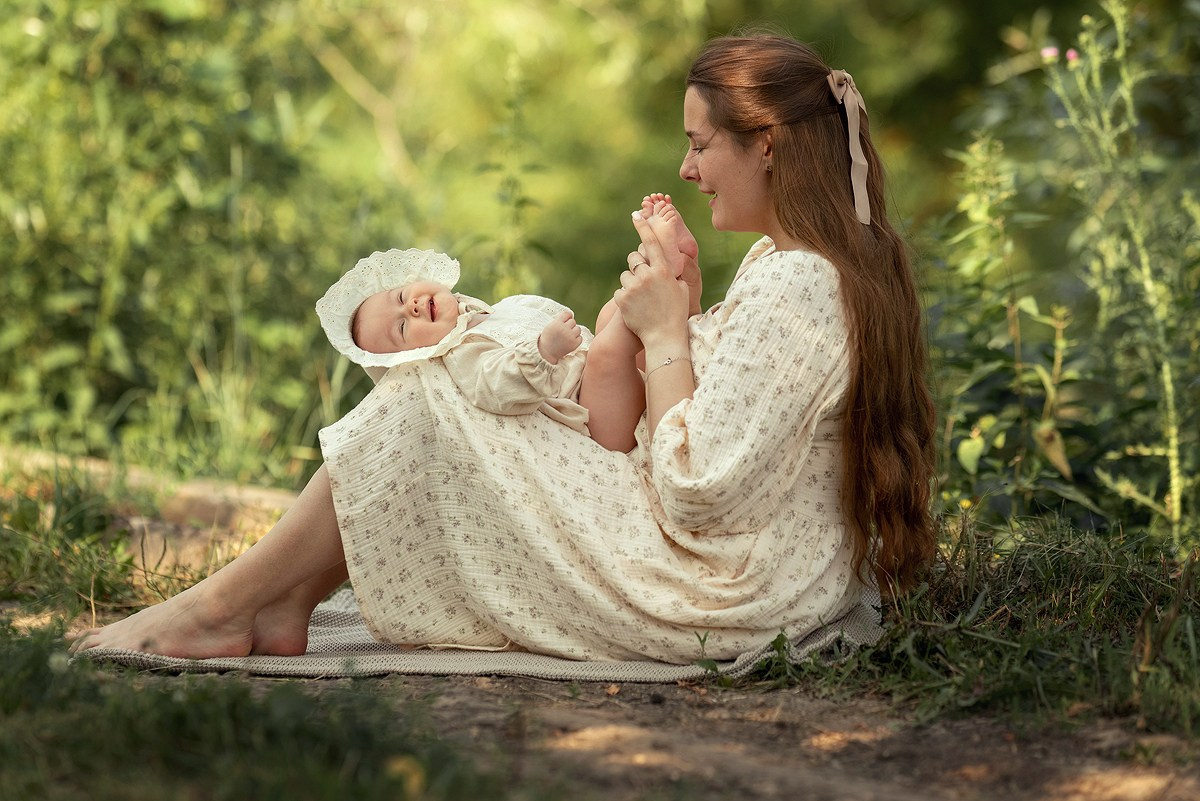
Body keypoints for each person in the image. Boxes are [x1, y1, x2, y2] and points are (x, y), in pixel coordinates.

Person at [70, 33, 937, 664]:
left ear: (769, 145)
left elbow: (701, 493)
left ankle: (231, 605)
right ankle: (274, 597)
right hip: (723, 565)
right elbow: (735, 428)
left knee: (429, 395)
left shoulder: (802, 284)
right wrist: (679, 314)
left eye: (701, 143)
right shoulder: (784, 263)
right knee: (448, 383)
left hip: (717, 593)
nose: (686, 167)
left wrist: (669, 332)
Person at [316, 247, 592, 435]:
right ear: (415, 356)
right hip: (590, 404)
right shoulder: (464, 353)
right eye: (402, 327)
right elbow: (500, 385)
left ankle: (639, 251)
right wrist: (545, 350)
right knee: (610, 349)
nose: (411, 307)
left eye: (401, 297)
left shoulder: (492, 312)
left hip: (598, 374)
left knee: (612, 315)